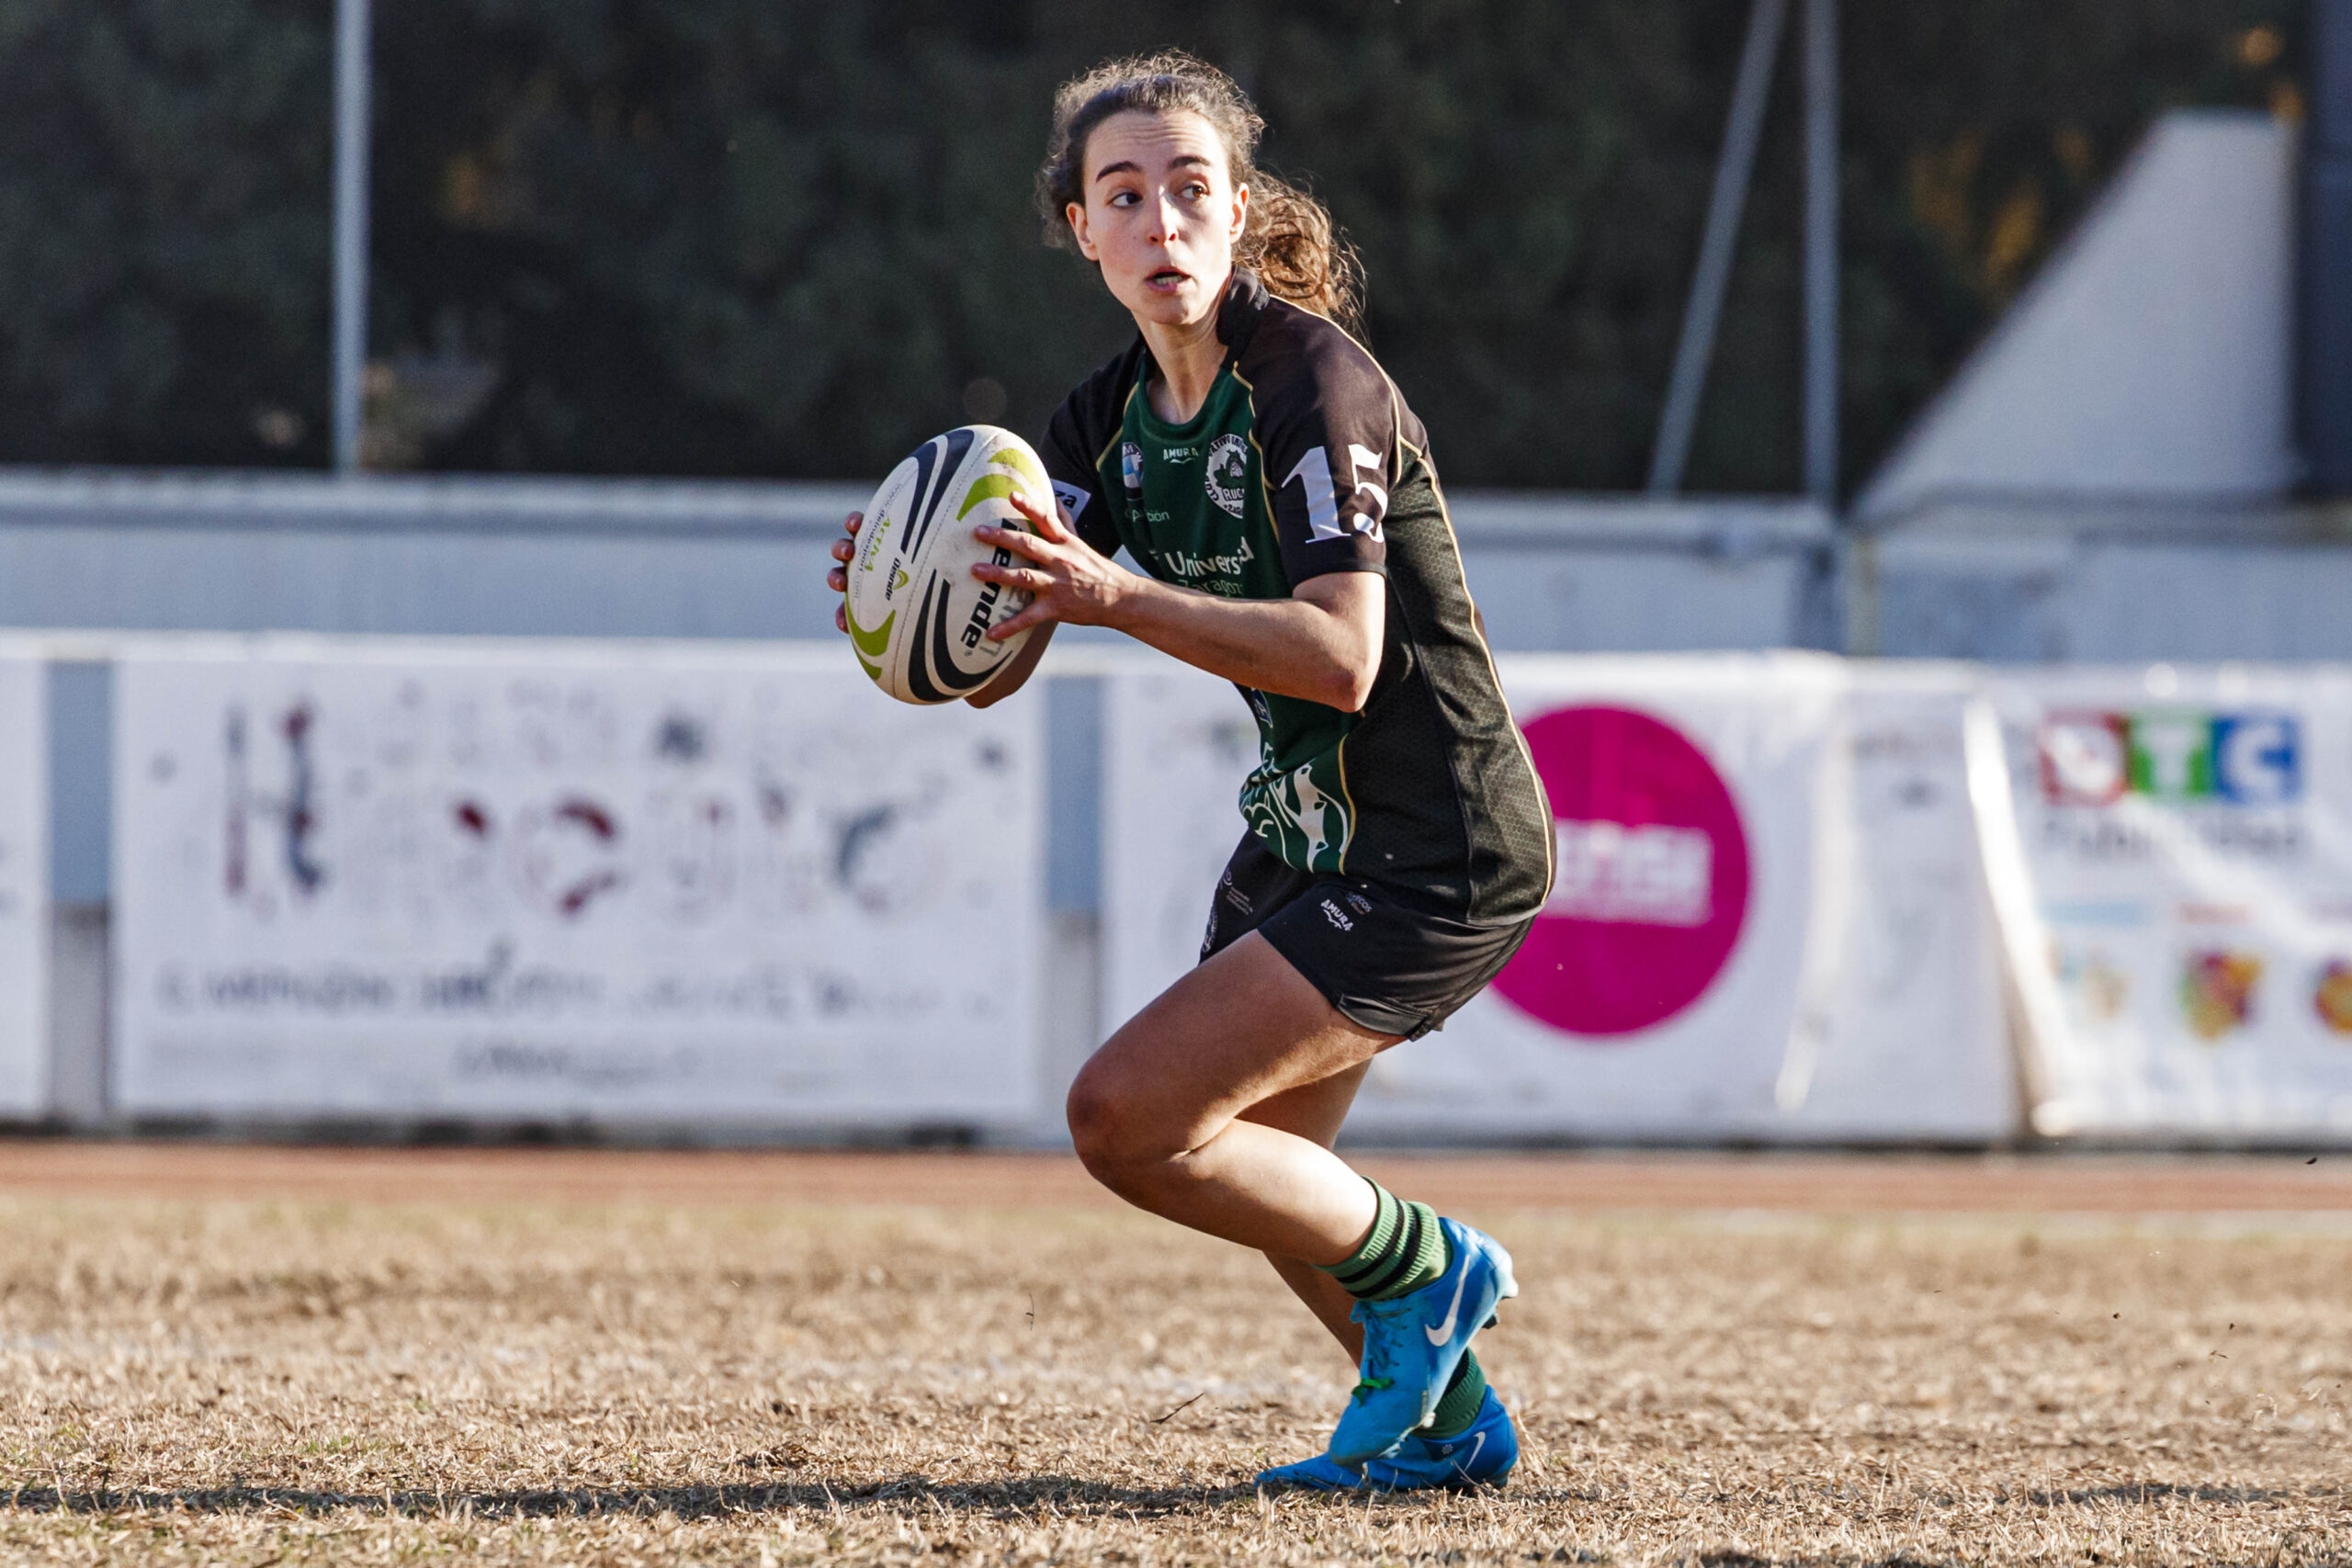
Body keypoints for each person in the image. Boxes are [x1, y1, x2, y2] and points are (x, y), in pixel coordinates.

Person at [826, 51, 1553, 1492]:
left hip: (1438, 843)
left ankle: (1435, 1266)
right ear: (1081, 230)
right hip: (1308, 833)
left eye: (1190, 189)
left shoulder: (1312, 382)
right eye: (1123, 195)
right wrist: (918, 595)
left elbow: (1342, 659)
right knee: (1266, 1175)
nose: (1159, 219)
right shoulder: (1096, 422)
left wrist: (1112, 596)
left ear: (1239, 210)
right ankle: (1452, 1432)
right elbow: (1008, 651)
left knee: (1126, 1119)